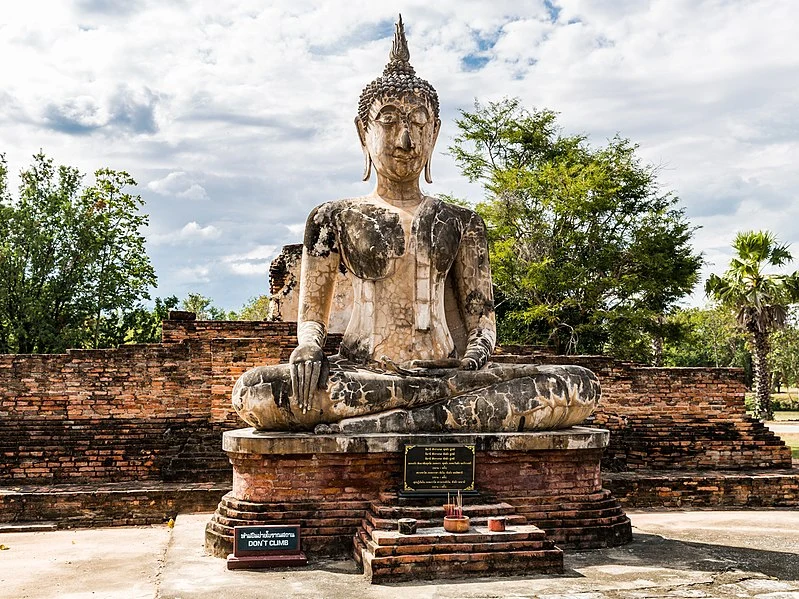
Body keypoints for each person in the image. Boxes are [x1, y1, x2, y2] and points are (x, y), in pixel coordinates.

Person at [232, 16, 599, 433]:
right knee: (255, 392)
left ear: (435, 133)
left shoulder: (463, 222)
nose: (405, 139)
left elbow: (482, 324)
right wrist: (309, 350)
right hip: (364, 375)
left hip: (450, 376)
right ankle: (424, 415)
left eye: (419, 122)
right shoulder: (331, 218)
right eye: (388, 120)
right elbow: (311, 321)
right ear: (362, 132)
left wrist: (473, 362)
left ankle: (391, 421)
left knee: (578, 383)